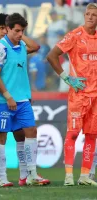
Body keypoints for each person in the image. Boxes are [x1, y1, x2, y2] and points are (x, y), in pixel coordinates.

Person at [0, 13, 50, 186]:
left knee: (31, 132)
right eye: (16, 30)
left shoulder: (22, 44)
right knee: (0, 137)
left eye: (22, 31)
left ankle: (31, 174)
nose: (19, 34)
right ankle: (1, 177)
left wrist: (20, 35)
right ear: (7, 29)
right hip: (3, 100)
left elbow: (36, 46)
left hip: (23, 100)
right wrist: (8, 97)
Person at [47, 3, 97, 186]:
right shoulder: (75, 35)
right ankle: (68, 176)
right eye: (88, 14)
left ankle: (84, 176)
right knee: (73, 134)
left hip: (95, 96)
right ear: (84, 15)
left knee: (92, 135)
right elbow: (52, 55)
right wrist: (67, 78)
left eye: (94, 15)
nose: (90, 17)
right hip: (79, 94)